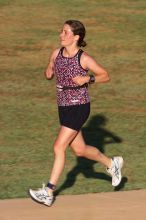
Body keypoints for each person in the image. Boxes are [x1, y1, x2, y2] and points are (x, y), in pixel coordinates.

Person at [29, 20, 124, 207]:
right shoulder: (56, 54)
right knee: (79, 150)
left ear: (76, 37)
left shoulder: (84, 58)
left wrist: (87, 78)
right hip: (63, 107)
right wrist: (48, 71)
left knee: (58, 147)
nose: (61, 35)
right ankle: (112, 164)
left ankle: (48, 192)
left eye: (65, 32)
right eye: (61, 31)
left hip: (79, 106)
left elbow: (105, 75)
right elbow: (49, 70)